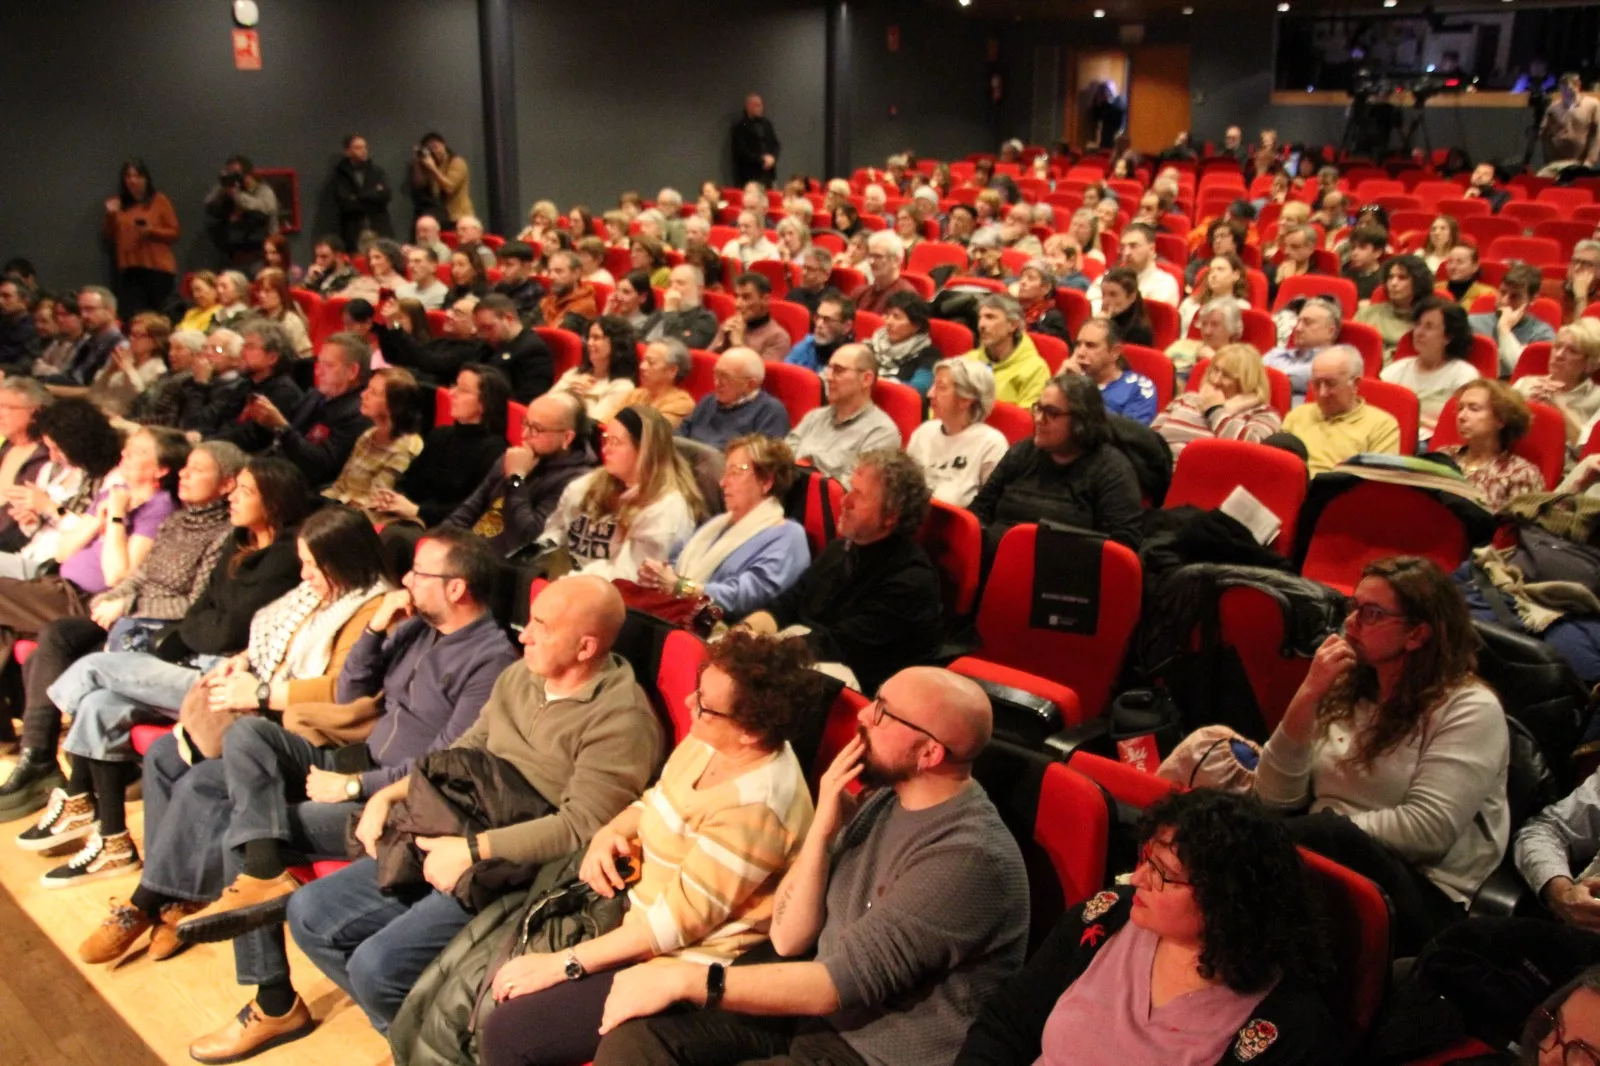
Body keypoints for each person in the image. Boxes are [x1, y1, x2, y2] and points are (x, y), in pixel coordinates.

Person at [592, 665, 1027, 1066]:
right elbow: (787, 937)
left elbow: (838, 985)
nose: (864, 719)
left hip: (869, 1053)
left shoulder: (969, 859)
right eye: (874, 700)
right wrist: (820, 832)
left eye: (883, 714)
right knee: (640, 1041)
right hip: (811, 1021)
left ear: (930, 753)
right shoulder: (883, 798)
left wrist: (686, 981)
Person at [285, 575, 662, 1031]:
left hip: (517, 871)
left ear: (584, 649)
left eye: (542, 626)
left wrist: (472, 850)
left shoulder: (621, 720)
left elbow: (579, 828)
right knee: (307, 913)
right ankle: (406, 1036)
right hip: (456, 823)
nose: (524, 634)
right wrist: (386, 795)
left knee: (376, 969)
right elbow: (463, 752)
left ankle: (420, 1041)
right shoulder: (521, 675)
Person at [477, 629, 821, 1066]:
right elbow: (656, 799)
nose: (688, 705)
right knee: (489, 971)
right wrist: (609, 833)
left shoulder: (759, 808)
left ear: (751, 732)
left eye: (706, 705)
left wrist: (563, 964)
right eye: (697, 691)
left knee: (510, 1032)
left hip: (679, 960)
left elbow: (671, 928)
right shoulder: (712, 739)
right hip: (629, 910)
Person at [956, 790, 1335, 1066]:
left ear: (1226, 900)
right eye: (1145, 861)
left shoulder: (1286, 1022)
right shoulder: (1104, 917)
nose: (1137, 879)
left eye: (1162, 875)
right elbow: (1005, 1025)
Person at [1256, 555, 1510, 955]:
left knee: (1280, 843)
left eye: (1371, 614)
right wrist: (1307, 695)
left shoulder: (1469, 708)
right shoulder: (1349, 686)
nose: (1352, 623)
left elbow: (1427, 831)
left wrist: (1322, 831)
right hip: (1318, 857)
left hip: (1421, 892)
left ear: (1417, 635)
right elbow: (1275, 798)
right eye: (1353, 607)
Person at [636, 434, 809, 619]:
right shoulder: (719, 523)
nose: (723, 482)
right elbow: (676, 560)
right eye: (725, 473)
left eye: (735, 472)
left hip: (727, 631)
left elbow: (745, 597)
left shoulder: (788, 536)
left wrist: (682, 587)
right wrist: (658, 575)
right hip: (680, 615)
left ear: (766, 482)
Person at [970, 370, 1145, 549]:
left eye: (1051, 413)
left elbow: (1122, 548)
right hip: (996, 561)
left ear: (1081, 421)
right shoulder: (1022, 452)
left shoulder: (1111, 469)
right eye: (1038, 408)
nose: (1038, 419)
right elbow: (979, 511)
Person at [540, 406, 701, 581]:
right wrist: (529, 563)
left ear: (644, 451)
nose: (606, 449)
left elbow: (627, 579)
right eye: (606, 440)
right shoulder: (584, 486)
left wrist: (568, 582)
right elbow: (555, 534)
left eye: (615, 442)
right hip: (574, 582)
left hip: (614, 598)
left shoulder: (665, 510)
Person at [447, 390, 595, 558]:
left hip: (503, 566)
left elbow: (529, 537)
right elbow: (471, 507)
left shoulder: (576, 482)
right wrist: (441, 538)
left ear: (567, 438)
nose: (524, 435)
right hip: (469, 549)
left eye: (536, 429)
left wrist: (516, 479)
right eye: (525, 424)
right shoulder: (518, 456)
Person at [367, 365, 510, 530]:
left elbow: (474, 509)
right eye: (454, 386)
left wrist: (418, 511)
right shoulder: (441, 434)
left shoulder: (495, 450)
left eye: (463, 390)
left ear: (484, 403)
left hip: (447, 530)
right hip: (409, 518)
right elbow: (410, 480)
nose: (452, 393)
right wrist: (394, 498)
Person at [229, 332, 372, 488]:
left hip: (301, 488)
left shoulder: (360, 413)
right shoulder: (314, 395)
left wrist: (282, 427)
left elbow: (320, 466)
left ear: (352, 371)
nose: (318, 372)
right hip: (275, 468)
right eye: (319, 363)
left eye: (329, 365)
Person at [786, 344, 902, 488]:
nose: (828, 377)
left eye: (838, 370)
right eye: (829, 368)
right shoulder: (814, 416)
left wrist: (811, 465)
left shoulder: (881, 432)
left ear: (866, 379)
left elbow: (853, 490)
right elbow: (783, 459)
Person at [1283, 346, 1401, 476]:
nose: (1322, 393)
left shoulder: (1382, 426)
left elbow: (1377, 484)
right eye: (1316, 384)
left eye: (1331, 384)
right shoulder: (1297, 415)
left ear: (1355, 384)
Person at [321, 367, 427, 511]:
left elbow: (376, 503)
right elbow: (340, 485)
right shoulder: (368, 435)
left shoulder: (406, 448)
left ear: (394, 406)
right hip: (341, 507)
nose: (363, 395)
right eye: (367, 389)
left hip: (363, 519)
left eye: (374, 393)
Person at [1379, 297, 1482, 446]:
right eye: (1418, 325)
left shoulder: (1463, 375)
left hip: (1435, 446)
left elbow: (1462, 426)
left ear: (1448, 337)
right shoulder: (1396, 369)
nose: (1418, 332)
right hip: (1391, 436)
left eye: (1428, 327)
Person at [1153, 342, 1284, 458]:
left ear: (1246, 381)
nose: (1215, 380)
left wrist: (1215, 410)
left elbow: (1252, 453)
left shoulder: (1264, 414)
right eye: (1214, 370)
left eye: (1226, 375)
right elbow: (1152, 437)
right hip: (1161, 470)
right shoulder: (1187, 398)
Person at [908, 358, 1009, 508]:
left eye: (940, 387)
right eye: (933, 385)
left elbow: (988, 509)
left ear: (965, 400)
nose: (930, 394)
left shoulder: (991, 445)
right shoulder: (924, 432)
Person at [1435, 379, 1545, 512]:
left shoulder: (1520, 474)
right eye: (1460, 408)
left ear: (1500, 419)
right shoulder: (1443, 456)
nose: (1461, 416)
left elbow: (1521, 528)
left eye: (1474, 409)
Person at [103, 159, 180, 315]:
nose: (132, 180)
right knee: (132, 314)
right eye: (128, 176)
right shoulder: (117, 204)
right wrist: (110, 215)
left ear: (146, 179)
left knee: (160, 314)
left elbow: (174, 232)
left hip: (157, 267)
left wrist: (152, 231)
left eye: (137, 176)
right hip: (130, 269)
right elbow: (109, 234)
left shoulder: (159, 200)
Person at [677, 348, 790, 450]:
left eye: (726, 377)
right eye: (716, 374)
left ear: (750, 384)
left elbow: (762, 460)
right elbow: (679, 434)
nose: (717, 383)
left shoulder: (770, 411)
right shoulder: (709, 400)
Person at [1516, 318, 1600, 453]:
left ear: (1590, 364)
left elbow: (1588, 451)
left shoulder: (1596, 399)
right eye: (1557, 346)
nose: (1559, 355)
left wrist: (1560, 407)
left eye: (1572, 351)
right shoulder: (1525, 384)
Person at [964, 293, 1052, 408]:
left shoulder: (1035, 370)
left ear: (1012, 325)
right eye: (980, 318)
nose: (981, 325)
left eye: (990, 317)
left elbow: (1025, 422)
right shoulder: (968, 360)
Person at [1469, 263, 1559, 376]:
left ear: (1532, 299)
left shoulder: (1542, 333)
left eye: (1515, 296)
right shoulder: (1471, 323)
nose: (1504, 301)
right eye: (1502, 292)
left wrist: (1504, 328)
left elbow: (1524, 374)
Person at [1069, 316, 1158, 424]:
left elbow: (1130, 437)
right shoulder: (1071, 381)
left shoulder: (1137, 388)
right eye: (1078, 345)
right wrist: (1058, 382)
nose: (1080, 353)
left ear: (1115, 352)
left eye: (1090, 346)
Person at [555, 316, 639, 423]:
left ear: (615, 343)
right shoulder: (575, 373)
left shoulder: (622, 387)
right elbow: (545, 404)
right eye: (589, 337)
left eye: (596, 338)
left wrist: (576, 397)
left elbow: (593, 425)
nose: (589, 343)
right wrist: (569, 389)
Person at [477, 293, 556, 403]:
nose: (483, 335)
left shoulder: (534, 351)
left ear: (509, 319)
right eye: (480, 329)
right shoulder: (488, 346)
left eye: (488, 328)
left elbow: (528, 401)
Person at [1265, 296, 1343, 407]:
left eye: (1308, 323)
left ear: (1330, 331)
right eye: (1298, 321)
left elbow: (1259, 377)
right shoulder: (1276, 353)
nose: (1298, 328)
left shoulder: (1332, 364)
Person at [204, 155, 279, 267]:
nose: (232, 176)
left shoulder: (263, 190)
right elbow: (209, 203)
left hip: (260, 252)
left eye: (235, 173)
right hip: (233, 252)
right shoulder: (227, 192)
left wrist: (237, 195)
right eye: (229, 172)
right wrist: (223, 186)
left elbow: (265, 209)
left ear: (247, 174)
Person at [1090, 223, 1179, 314]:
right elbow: (1091, 303)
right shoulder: (1110, 275)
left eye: (1133, 246)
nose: (1126, 252)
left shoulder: (1165, 284)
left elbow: (1150, 318)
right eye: (1123, 247)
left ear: (1152, 249)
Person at [1356, 255, 1434, 358]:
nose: (1393, 283)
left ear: (1418, 283)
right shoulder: (1367, 314)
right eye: (1390, 277)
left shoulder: (1430, 320)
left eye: (1402, 278)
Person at [863, 290, 937, 395]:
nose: (888, 322)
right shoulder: (873, 344)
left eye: (896, 317)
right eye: (887, 315)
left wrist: (877, 382)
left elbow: (920, 388)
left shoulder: (928, 354)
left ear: (916, 325)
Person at [709, 272, 790, 363]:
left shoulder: (778, 338)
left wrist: (738, 343)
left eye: (746, 298)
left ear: (765, 300)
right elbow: (708, 361)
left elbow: (760, 375)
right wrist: (724, 343)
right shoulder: (730, 325)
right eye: (736, 297)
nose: (737, 304)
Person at [333, 133, 394, 252]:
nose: (363, 151)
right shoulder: (341, 175)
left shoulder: (377, 171)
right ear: (347, 152)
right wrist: (373, 194)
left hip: (379, 226)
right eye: (358, 148)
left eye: (365, 147)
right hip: (354, 230)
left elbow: (386, 195)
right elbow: (346, 204)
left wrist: (358, 196)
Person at [620, 338, 695, 428]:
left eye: (651, 362)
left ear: (672, 371)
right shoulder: (635, 394)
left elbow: (651, 434)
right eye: (643, 361)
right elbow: (607, 422)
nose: (642, 367)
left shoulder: (681, 404)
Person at [648, 264, 720, 350]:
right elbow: (640, 335)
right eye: (670, 284)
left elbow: (676, 349)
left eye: (680, 283)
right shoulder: (663, 310)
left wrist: (671, 310)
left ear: (699, 290)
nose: (672, 288)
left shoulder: (706, 319)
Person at [409, 131, 473, 227]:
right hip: (441, 217)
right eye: (430, 149)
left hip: (459, 216)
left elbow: (449, 188)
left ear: (444, 145)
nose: (434, 151)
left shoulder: (457, 162)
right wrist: (417, 162)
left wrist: (433, 169)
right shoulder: (432, 164)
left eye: (435, 147)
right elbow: (420, 184)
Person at [784, 289, 856, 374]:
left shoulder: (854, 362)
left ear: (846, 326)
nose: (819, 324)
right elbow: (786, 375)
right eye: (818, 317)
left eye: (827, 320)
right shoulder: (806, 345)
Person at [1540, 73, 1600, 170]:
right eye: (1564, 89)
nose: (1568, 92)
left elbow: (1597, 135)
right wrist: (1548, 158)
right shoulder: (1553, 108)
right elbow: (1544, 134)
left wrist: (1590, 160)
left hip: (1581, 162)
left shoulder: (1592, 105)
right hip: (1556, 162)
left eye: (1571, 89)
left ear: (1578, 86)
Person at [852, 231, 919, 316]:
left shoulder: (907, 297)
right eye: (870, 256)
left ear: (896, 260)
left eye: (878, 257)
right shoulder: (860, 293)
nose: (871, 262)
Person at [540, 250, 600, 335]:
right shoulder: (548, 300)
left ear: (576, 273)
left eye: (558, 271)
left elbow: (556, 336)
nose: (551, 277)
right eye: (550, 271)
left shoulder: (584, 305)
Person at [1097, 266, 1156, 348]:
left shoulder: (1140, 333)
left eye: (1113, 295)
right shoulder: (1106, 320)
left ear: (1132, 297)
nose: (1105, 301)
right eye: (1103, 294)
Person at [733, 93, 781, 187]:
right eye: (756, 105)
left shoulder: (767, 124)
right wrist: (761, 159)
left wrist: (773, 158)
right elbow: (741, 151)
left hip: (769, 173)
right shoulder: (741, 126)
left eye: (760, 105)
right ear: (748, 106)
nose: (760, 108)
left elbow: (776, 144)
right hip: (751, 174)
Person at [1437, 243, 1497, 311]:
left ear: (1475, 266)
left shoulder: (1487, 294)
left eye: (1460, 262)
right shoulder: (1435, 290)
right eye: (1450, 262)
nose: (1453, 267)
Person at [1342, 225, 1388, 303]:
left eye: (1362, 248)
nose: (1354, 253)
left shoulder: (1383, 280)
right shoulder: (1345, 272)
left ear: (1377, 252)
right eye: (1353, 248)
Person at [0, 276, 38, 371]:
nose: (0, 301)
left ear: (24, 301)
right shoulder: (4, 324)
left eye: (6, 296)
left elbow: (10, 358)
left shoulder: (32, 328)